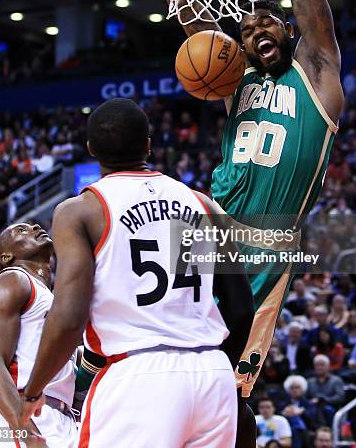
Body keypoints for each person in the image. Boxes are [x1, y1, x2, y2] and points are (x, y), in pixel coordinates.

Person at [133, 0, 343, 446]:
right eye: (247, 32)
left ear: (288, 32)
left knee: (229, 389)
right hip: (210, 226)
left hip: (269, 246)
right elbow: (183, 6)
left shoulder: (318, 75)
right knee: (163, 360)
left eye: (266, 26)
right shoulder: (234, 81)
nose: (256, 34)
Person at [19, 98, 254, 448]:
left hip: (140, 375)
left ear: (91, 150)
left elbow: (69, 317)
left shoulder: (81, 210)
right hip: (212, 373)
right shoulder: (203, 203)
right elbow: (240, 308)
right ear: (148, 144)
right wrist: (219, 366)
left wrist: (33, 389)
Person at [0, 222, 76, 447]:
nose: (34, 227)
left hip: (55, 416)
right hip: (26, 420)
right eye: (21, 230)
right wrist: (28, 433)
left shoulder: (49, 297)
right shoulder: (12, 280)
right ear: (6, 257)